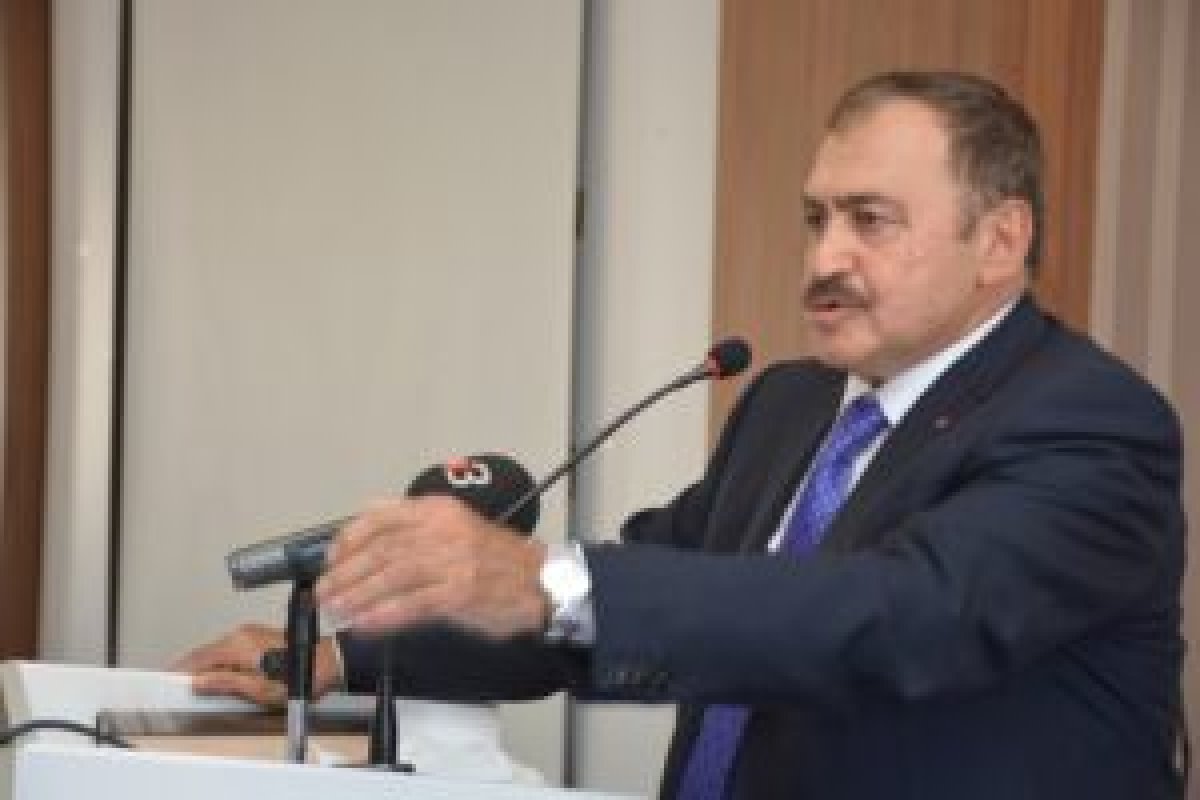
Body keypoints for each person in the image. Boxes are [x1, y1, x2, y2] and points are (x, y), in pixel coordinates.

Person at [178, 71, 1187, 799]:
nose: (824, 257)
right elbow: (636, 602)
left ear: (1000, 240)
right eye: (815, 218)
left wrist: (541, 578)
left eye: (870, 219)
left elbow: (900, 615)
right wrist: (348, 658)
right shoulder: (792, 404)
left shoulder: (1092, 424)